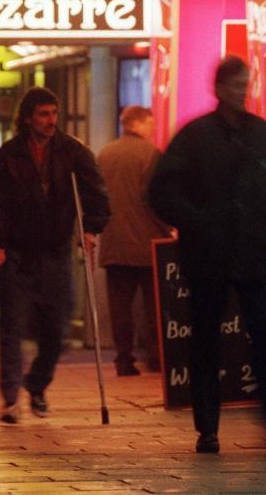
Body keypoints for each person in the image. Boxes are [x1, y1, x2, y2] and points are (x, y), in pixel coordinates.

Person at [149, 55, 266, 453]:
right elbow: (161, 191)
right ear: (219, 89)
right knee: (206, 340)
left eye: (245, 84)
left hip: (250, 250)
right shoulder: (197, 136)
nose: (242, 91)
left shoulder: (259, 133)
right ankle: (208, 428)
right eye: (235, 85)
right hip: (209, 254)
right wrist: (197, 221)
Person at [0, 86, 110, 424]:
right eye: (44, 114)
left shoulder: (72, 153)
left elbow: (96, 193)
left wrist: (91, 228)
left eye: (54, 113)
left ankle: (36, 383)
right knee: (12, 329)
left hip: (55, 252)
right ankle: (10, 400)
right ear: (28, 119)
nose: (52, 121)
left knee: (58, 328)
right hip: (18, 255)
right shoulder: (8, 157)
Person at [96, 105, 170, 376]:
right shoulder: (151, 154)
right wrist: (171, 227)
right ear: (136, 124)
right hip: (148, 242)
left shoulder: (105, 154)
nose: (152, 129)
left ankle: (123, 359)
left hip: (114, 243)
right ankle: (156, 356)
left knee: (120, 307)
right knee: (155, 305)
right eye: (150, 123)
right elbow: (157, 198)